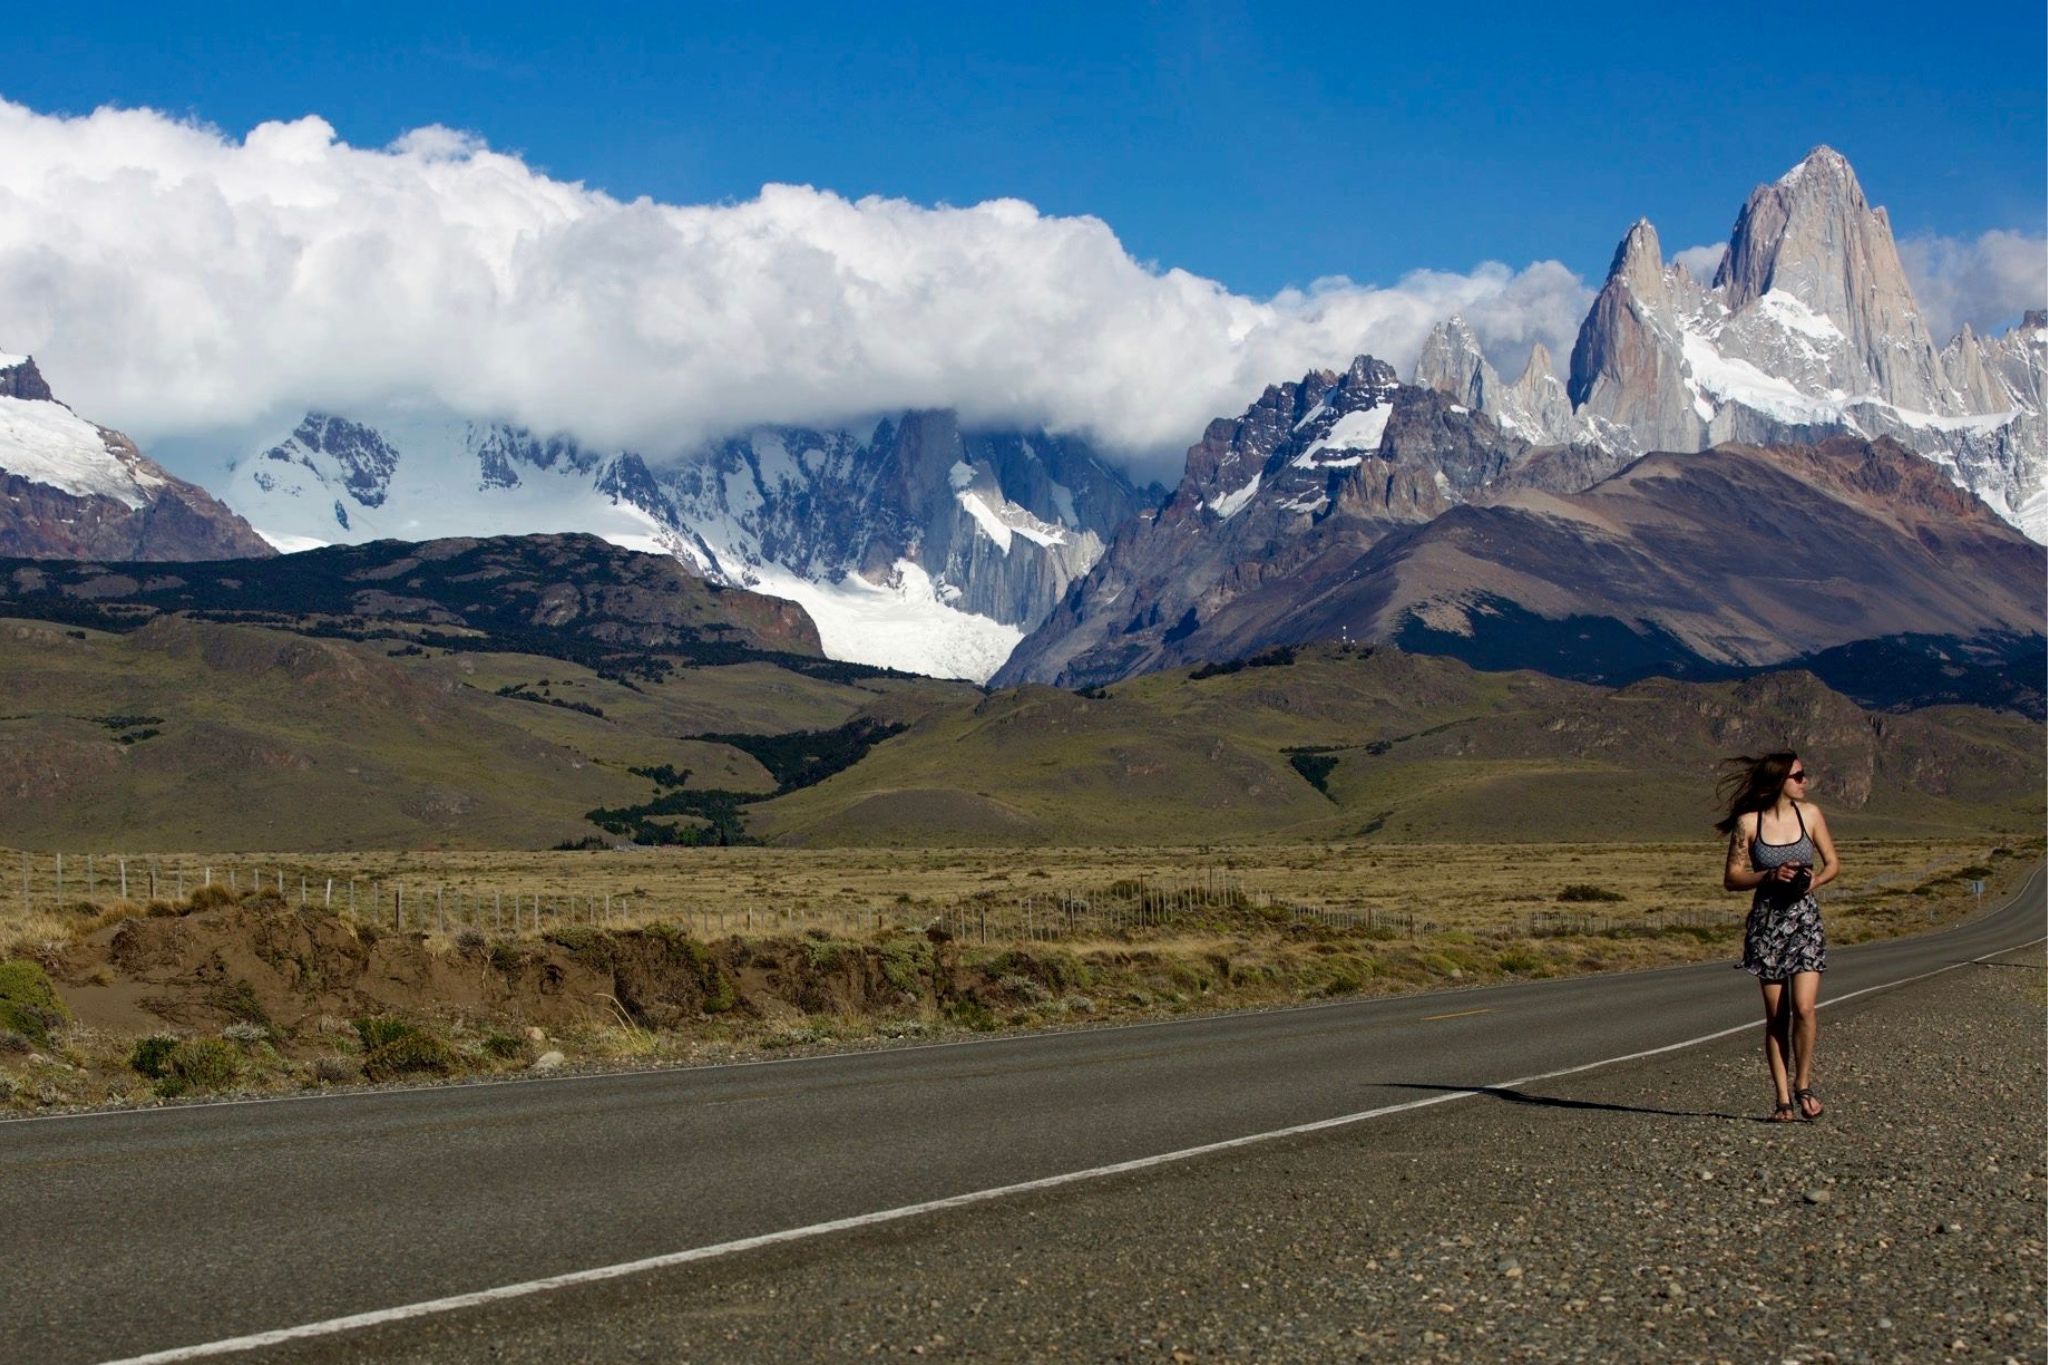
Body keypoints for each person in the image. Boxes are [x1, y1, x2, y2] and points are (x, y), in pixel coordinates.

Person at [1716, 751, 1839, 1122]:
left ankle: (1804, 1085)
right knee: (1777, 1016)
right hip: (1768, 925)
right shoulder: (1748, 824)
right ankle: (1782, 1099)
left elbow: (1833, 863)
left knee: (1804, 1008)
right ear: (1779, 781)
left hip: (1804, 922)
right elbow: (1731, 879)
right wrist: (1769, 876)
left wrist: (1814, 880)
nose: (1804, 782)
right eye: (1798, 776)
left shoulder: (1811, 815)